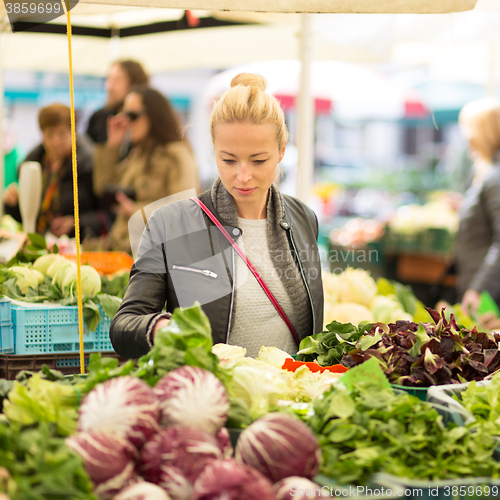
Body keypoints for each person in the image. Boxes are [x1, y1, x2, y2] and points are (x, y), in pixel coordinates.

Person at [109, 73, 324, 359]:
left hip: (290, 396)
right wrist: (160, 328)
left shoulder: (303, 219)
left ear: (282, 151)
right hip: (212, 394)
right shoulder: (170, 223)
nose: (243, 176)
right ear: (213, 151)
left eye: (259, 161)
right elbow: (124, 325)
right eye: (229, 160)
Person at [92, 86, 200, 253]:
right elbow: (103, 187)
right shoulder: (138, 154)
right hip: (124, 249)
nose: (126, 123)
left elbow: (185, 208)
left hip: (155, 256)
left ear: (154, 116)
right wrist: (112, 146)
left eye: (132, 116)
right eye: (124, 115)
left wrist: (135, 210)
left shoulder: (176, 155)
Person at [3, 104, 104, 239]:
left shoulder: (89, 164)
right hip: (40, 242)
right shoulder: (35, 163)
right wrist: (13, 204)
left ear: (73, 132)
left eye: (62, 134)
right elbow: (28, 218)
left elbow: (107, 214)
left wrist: (76, 223)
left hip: (78, 246)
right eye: (50, 134)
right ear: (42, 135)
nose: (56, 141)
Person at [456, 98, 500, 322]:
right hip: (479, 289)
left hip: (489, 298)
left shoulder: (495, 177)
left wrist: (480, 289)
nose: (465, 136)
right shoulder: (484, 172)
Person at [86, 60, 149, 145]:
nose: (109, 87)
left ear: (134, 83)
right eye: (109, 79)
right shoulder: (99, 118)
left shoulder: (144, 119)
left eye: (117, 80)